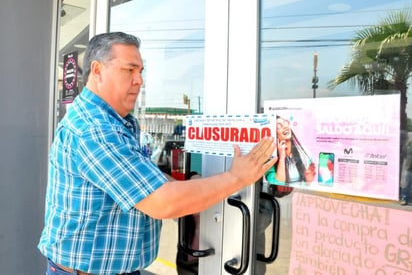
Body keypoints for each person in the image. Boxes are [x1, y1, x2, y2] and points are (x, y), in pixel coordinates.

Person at [37, 32, 277, 275]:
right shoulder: (94, 128)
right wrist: (237, 178)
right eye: (129, 70)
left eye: (141, 71)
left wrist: (192, 183)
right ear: (98, 71)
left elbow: (141, 179)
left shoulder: (116, 122)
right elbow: (162, 201)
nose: (139, 80)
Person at [265, 115, 315, 185]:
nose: (285, 126)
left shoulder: (303, 151)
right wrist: (282, 157)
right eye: (279, 126)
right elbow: (278, 183)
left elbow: (309, 182)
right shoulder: (269, 158)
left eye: (285, 123)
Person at [400, 137, 412, 205]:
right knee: (406, 185)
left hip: (409, 167)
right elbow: (404, 154)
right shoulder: (408, 145)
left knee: (406, 184)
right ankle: (404, 199)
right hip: (409, 168)